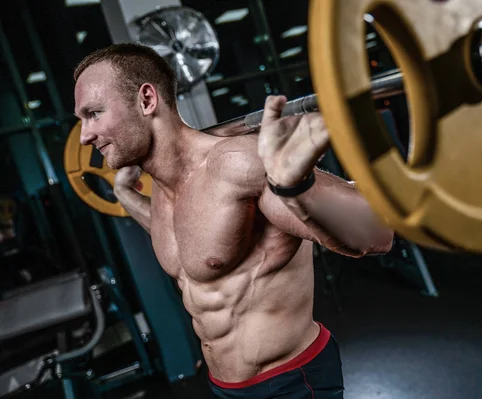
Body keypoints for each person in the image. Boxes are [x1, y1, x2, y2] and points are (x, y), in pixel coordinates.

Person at [73, 43, 394, 398]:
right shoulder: (165, 190)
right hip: (224, 386)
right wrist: (127, 196)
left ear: (147, 100)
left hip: (289, 381)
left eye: (94, 113)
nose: (85, 135)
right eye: (82, 120)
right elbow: (192, 238)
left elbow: (377, 235)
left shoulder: (237, 165)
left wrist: (296, 188)